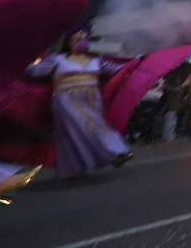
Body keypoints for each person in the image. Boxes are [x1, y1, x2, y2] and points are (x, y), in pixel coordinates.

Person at [24, 31, 135, 177]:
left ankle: (112, 154)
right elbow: (34, 71)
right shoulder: (57, 59)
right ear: (68, 42)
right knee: (78, 129)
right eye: (76, 38)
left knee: (97, 126)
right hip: (65, 100)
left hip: (92, 100)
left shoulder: (96, 61)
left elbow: (118, 69)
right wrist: (24, 60)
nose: (80, 41)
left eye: (83, 38)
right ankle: (109, 155)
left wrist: (136, 64)